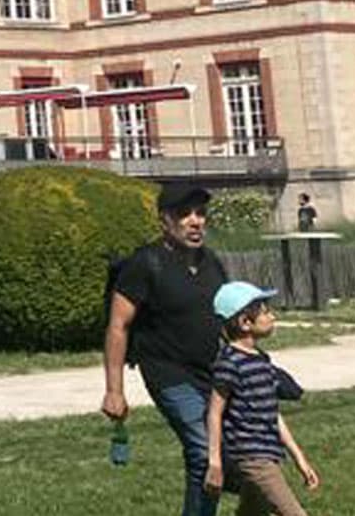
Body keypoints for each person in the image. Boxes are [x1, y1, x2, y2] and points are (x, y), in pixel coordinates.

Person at [102, 181, 231, 516]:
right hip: (169, 374)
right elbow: (118, 326)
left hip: (211, 372)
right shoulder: (145, 264)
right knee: (203, 452)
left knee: (230, 455)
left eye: (200, 213)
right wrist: (114, 391)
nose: (195, 221)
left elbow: (228, 317)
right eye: (184, 214)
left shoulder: (211, 263)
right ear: (165, 221)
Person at [206, 281, 322, 515]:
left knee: (252, 512)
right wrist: (215, 462)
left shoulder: (261, 360)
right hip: (252, 457)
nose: (272, 316)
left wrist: (298, 457)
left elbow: (272, 413)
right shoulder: (229, 364)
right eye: (265, 311)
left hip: (268, 452)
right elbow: (215, 413)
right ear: (245, 323)